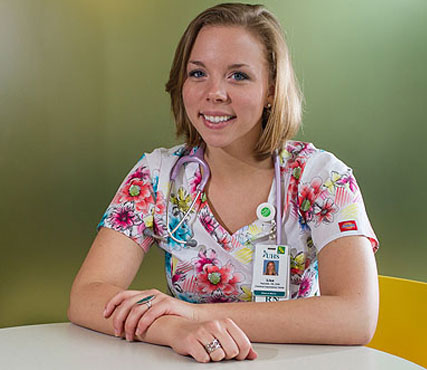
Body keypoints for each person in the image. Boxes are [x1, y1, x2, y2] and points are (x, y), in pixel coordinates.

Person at [68, 2, 379, 363]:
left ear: (271, 89)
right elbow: (87, 296)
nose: (214, 92)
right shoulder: (157, 176)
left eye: (238, 76)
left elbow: (356, 316)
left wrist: (196, 315)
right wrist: (173, 329)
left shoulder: (321, 178)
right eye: (198, 73)